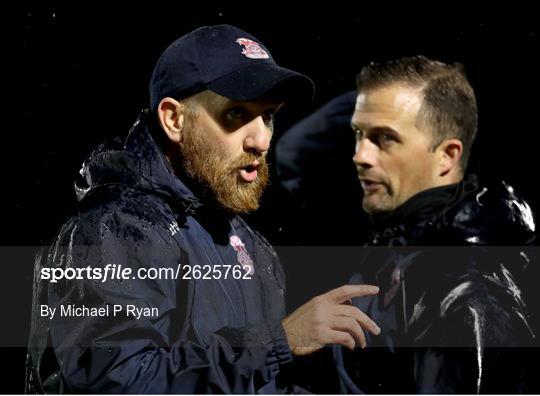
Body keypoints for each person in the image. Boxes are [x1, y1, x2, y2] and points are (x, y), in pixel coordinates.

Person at [26, 25, 381, 393]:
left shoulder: (251, 246)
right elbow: (116, 383)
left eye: (268, 116)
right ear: (174, 120)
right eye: (236, 114)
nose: (260, 140)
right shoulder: (113, 229)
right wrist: (275, 342)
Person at [334, 56, 538, 393]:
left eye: (385, 138)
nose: (360, 155)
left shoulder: (466, 294)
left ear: (447, 155)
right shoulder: (399, 248)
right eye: (359, 134)